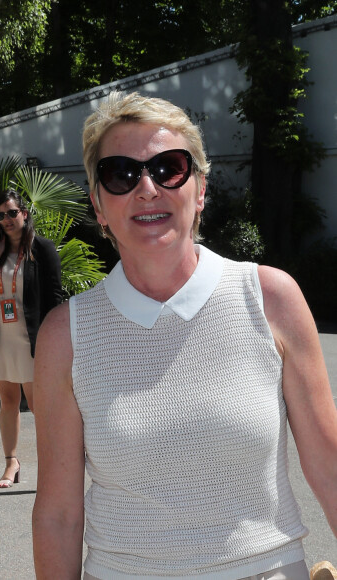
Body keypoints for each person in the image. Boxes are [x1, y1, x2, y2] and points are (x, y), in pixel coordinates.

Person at [32, 91, 337, 579]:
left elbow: (330, 468)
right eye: (121, 173)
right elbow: (58, 515)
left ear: (199, 190)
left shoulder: (270, 299)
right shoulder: (66, 336)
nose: (147, 188)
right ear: (98, 205)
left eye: (168, 167)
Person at [0, 188, 63, 488]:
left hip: (32, 340)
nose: (7, 220)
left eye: (12, 213)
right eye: (0, 215)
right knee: (8, 401)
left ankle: (53, 466)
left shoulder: (43, 249)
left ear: (24, 213)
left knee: (40, 406)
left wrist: (52, 342)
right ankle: (11, 463)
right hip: (2, 337)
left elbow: (55, 298)